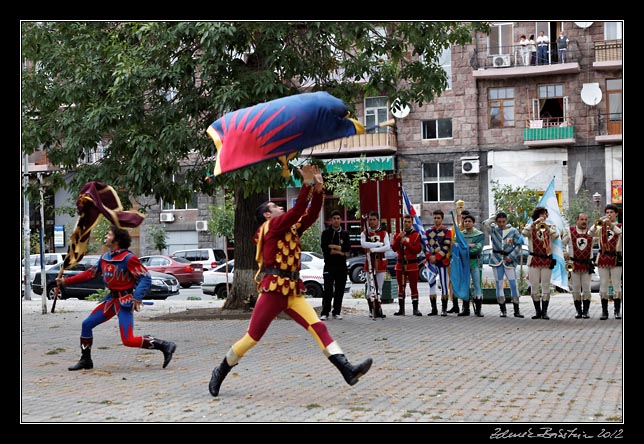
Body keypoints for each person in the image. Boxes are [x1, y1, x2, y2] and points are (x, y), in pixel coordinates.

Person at [208, 165, 372, 397]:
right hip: (274, 290)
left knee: (319, 327)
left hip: (293, 291)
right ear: (267, 214)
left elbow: (311, 215)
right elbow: (295, 214)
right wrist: (305, 185)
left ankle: (348, 370)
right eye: (275, 206)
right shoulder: (271, 226)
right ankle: (220, 371)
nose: (280, 207)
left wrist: (318, 188)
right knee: (252, 338)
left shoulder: (289, 227)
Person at [56, 225, 177, 371]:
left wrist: (137, 298)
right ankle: (86, 360)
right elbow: (90, 274)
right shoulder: (105, 257)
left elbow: (145, 278)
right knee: (86, 324)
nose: (106, 236)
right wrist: (66, 281)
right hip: (110, 301)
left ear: (117, 240)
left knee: (128, 340)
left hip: (125, 302)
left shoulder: (129, 258)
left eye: (109, 234)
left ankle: (165, 345)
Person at [483, 212, 524, 318]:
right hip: (497, 260)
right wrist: (494, 218)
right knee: (499, 284)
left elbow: (519, 245)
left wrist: (512, 256)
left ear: (506, 221)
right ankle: (502, 309)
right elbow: (485, 223)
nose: (501, 224)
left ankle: (516, 309)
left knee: (513, 284)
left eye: (503, 221)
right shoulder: (493, 230)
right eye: (499, 221)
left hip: (509, 260)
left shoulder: (513, 231)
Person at [522, 207, 560, 320]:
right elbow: (524, 233)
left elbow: (555, 236)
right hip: (534, 259)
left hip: (546, 259)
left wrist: (546, 227)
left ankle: (545, 312)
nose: (544, 216)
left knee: (545, 285)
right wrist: (534, 223)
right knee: (534, 285)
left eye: (545, 214)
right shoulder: (531, 227)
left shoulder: (551, 226)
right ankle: (537, 311)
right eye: (541, 214)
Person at [589, 204, 623, 320]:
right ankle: (604, 311)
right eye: (607, 212)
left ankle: (617, 311)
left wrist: (611, 226)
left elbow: (620, 233)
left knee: (616, 284)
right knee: (603, 284)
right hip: (603, 258)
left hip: (616, 258)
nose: (609, 215)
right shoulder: (601, 227)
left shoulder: (620, 226)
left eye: (611, 213)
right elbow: (590, 234)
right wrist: (598, 223)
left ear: (616, 214)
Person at [561, 213, 595, 319]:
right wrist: (564, 253)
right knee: (575, 288)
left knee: (587, 289)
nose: (584, 221)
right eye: (582, 219)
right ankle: (578, 311)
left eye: (585, 219)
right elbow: (562, 244)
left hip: (587, 263)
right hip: (574, 264)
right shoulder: (569, 231)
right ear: (577, 220)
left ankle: (586, 311)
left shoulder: (591, 233)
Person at [320, 209, 351, 320]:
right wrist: (340, 251)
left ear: (341, 220)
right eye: (334, 219)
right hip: (329, 265)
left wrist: (336, 248)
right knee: (328, 289)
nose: (336, 221)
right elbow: (325, 248)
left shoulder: (344, 234)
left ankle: (336, 311)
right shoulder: (326, 233)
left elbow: (347, 249)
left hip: (341, 266)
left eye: (338, 219)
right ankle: (325, 312)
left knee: (339, 289)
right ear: (331, 220)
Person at [391, 214, 423, 316]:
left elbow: (417, 250)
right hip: (400, 264)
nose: (407, 224)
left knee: (413, 286)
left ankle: (415, 309)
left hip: (412, 265)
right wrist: (398, 239)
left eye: (409, 222)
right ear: (402, 222)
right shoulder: (398, 234)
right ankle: (401, 309)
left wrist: (406, 242)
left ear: (412, 223)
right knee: (401, 287)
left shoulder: (416, 235)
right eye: (405, 221)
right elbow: (394, 248)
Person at [360, 210, 390, 318]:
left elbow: (387, 246)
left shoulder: (383, 233)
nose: (372, 222)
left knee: (379, 288)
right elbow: (363, 244)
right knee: (370, 287)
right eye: (370, 220)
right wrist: (377, 244)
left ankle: (379, 308)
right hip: (369, 262)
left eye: (374, 219)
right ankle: (371, 309)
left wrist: (373, 249)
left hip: (380, 262)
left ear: (378, 220)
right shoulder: (364, 233)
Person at [425, 209, 453, 316]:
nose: (436, 220)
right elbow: (426, 246)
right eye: (435, 218)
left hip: (442, 262)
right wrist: (429, 256)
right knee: (431, 284)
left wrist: (436, 257)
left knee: (444, 285)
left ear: (442, 219)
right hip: (431, 262)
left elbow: (446, 246)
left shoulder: (447, 231)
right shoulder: (428, 232)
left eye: (438, 218)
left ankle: (444, 309)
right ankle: (434, 309)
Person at [460, 213, 485, 317]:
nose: (467, 223)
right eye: (465, 221)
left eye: (469, 221)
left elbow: (478, 248)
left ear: (473, 223)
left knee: (477, 285)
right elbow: (457, 247)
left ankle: (478, 309)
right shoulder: (460, 234)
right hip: (464, 263)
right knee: (465, 286)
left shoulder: (479, 234)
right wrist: (468, 246)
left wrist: (465, 248)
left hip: (475, 262)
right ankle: (465, 309)